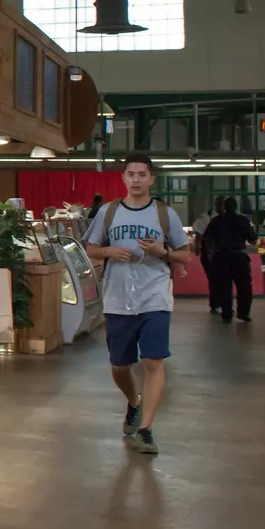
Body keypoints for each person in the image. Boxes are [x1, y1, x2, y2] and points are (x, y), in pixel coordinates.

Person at [82, 153, 191, 456]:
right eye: (131, 174)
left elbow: (185, 255)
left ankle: (145, 429)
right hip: (118, 299)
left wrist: (163, 251)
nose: (137, 180)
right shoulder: (109, 212)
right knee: (119, 366)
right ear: (124, 178)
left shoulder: (165, 214)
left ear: (151, 179)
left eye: (142, 175)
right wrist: (108, 251)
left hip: (155, 297)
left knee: (154, 361)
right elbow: (89, 248)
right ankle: (134, 401)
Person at [201, 196, 256, 323]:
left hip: (222, 256)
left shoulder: (216, 221)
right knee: (244, 286)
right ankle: (243, 313)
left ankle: (226, 312)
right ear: (236, 207)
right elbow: (252, 239)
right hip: (239, 256)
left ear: (224, 207)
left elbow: (207, 238)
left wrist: (210, 252)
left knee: (224, 286)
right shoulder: (242, 220)